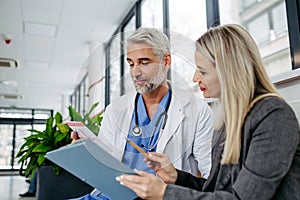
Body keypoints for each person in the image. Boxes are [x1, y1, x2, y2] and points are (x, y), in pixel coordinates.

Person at [116, 24, 300, 200]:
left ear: (229, 71)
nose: (195, 78)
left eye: (202, 71)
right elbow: (215, 191)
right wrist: (176, 177)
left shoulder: (274, 117)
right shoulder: (228, 122)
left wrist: (164, 193)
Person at [71, 27, 214, 198]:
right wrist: (86, 151)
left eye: (144, 62)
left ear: (166, 61)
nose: (135, 72)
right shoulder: (115, 110)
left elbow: (210, 175)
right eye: (131, 63)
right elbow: (104, 163)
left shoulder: (197, 110)